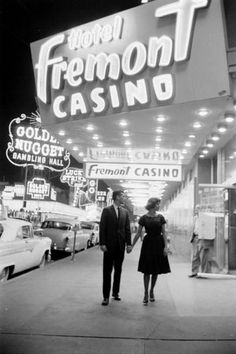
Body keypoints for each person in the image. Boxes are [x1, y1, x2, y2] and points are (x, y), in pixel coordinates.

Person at [132, 197, 171, 305]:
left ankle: (152, 291)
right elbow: (139, 233)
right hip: (148, 244)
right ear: (153, 205)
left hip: (159, 244)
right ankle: (145, 293)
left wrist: (166, 247)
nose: (159, 206)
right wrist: (131, 245)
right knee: (146, 270)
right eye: (158, 204)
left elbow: (164, 233)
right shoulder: (143, 218)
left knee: (155, 270)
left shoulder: (161, 217)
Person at [99, 190, 132, 306]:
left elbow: (127, 229)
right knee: (107, 271)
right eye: (123, 196)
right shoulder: (107, 210)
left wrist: (129, 244)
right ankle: (105, 297)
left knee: (118, 270)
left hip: (120, 246)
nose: (124, 198)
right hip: (108, 246)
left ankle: (115, 293)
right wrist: (102, 243)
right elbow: (102, 227)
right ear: (117, 197)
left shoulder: (125, 212)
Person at [189, 205, 213, 277]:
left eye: (198, 209)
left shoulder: (206, 218)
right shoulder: (195, 218)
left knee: (204, 256)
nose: (196, 210)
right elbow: (193, 228)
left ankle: (205, 273)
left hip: (203, 238)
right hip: (196, 237)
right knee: (195, 256)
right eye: (196, 209)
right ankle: (194, 272)